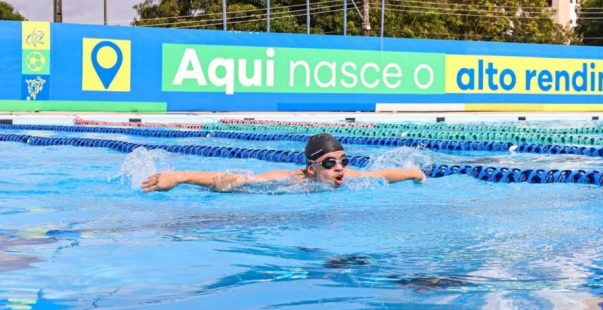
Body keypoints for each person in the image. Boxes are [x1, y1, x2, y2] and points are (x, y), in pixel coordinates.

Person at [141, 133, 425, 192]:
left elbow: (380, 175)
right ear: (311, 167)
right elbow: (237, 180)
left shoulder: (347, 177)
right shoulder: (292, 179)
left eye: (342, 161)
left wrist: (412, 172)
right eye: (329, 163)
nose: (339, 168)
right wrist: (180, 177)